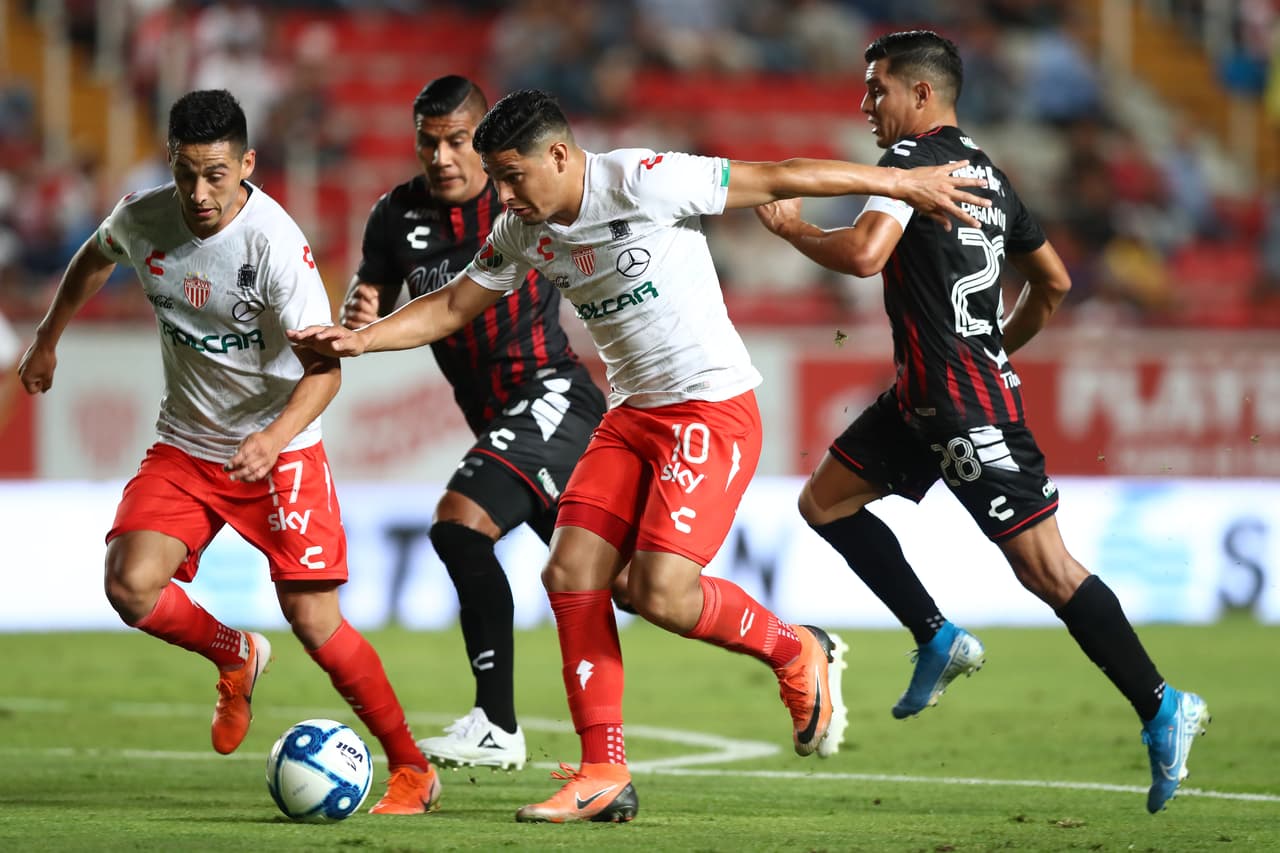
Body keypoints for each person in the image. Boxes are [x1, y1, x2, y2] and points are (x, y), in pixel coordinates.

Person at [289, 87, 991, 824]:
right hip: (630, 417)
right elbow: (455, 304)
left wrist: (898, 182)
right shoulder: (522, 227)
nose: (503, 193)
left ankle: (795, 650)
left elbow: (778, 174)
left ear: (559, 156)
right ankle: (603, 771)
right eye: (496, 178)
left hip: (710, 408)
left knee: (658, 592)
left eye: (512, 175)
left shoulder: (642, 178)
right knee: (570, 571)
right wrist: (363, 338)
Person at [753, 30, 1209, 815]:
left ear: (921, 95)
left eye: (878, 89)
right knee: (822, 501)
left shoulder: (908, 164)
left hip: (963, 404)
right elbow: (1054, 281)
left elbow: (866, 255)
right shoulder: (990, 174)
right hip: (924, 397)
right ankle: (936, 634)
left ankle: (1165, 703)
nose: (866, 104)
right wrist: (998, 343)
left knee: (1046, 570)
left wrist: (794, 229)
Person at [17, 89, 441, 816]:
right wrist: (48, 336)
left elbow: (326, 370)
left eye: (216, 173)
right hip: (186, 444)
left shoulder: (275, 248)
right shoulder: (143, 217)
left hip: (281, 450)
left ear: (246, 163)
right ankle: (234, 653)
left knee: (314, 622)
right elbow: (95, 255)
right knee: (129, 585)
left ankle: (411, 767)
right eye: (186, 173)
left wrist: (272, 438)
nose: (200, 192)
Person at [342, 75, 607, 772]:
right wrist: (361, 311)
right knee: (638, 585)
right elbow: (374, 292)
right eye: (428, 142)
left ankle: (496, 722)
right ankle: (790, 646)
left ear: (482, 138)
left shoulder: (519, 197)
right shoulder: (395, 217)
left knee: (459, 525)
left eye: (457, 140)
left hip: (552, 395)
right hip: (497, 419)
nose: (442, 156)